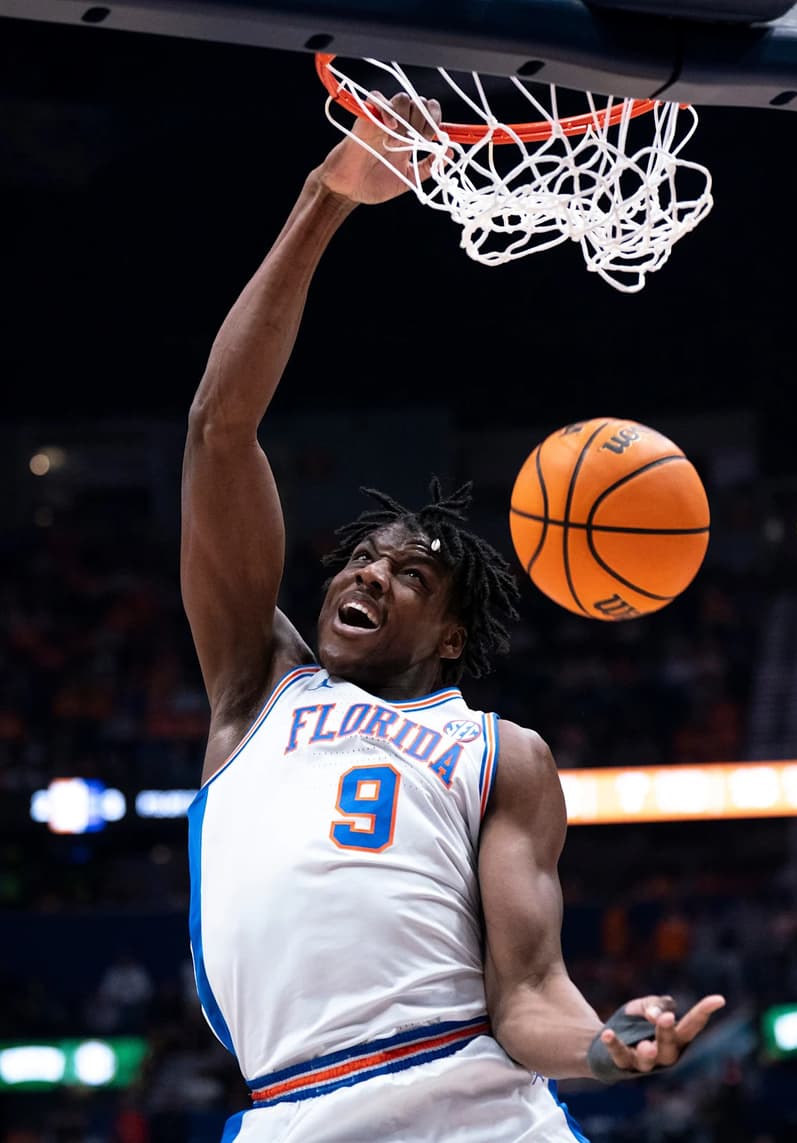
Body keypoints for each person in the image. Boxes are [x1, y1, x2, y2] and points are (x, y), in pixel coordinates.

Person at [181, 93, 726, 1142]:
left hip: (474, 1107)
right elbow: (219, 429)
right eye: (364, 560)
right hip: (289, 1114)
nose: (373, 574)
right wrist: (325, 197)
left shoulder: (501, 755)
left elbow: (527, 995)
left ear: (451, 637)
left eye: (410, 575)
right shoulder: (257, 689)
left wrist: (605, 1047)